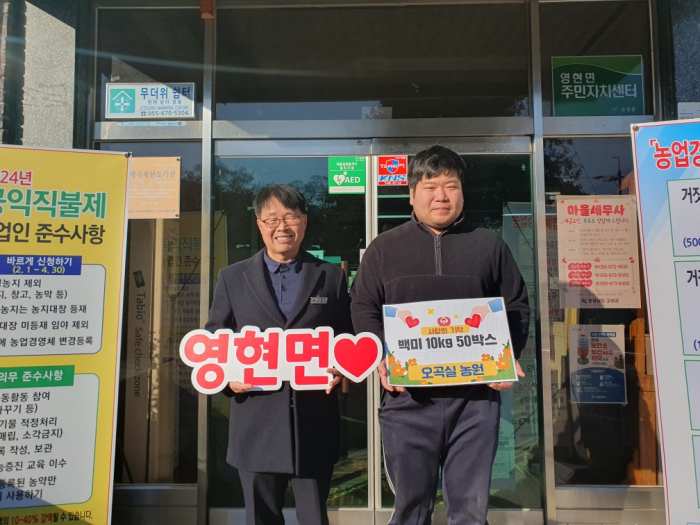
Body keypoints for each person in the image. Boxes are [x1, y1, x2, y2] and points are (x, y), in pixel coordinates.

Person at [351, 145, 529, 525]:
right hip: (407, 400)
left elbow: (516, 304)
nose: (441, 196)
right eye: (431, 187)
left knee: (470, 511)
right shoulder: (384, 249)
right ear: (412, 193)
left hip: (475, 401)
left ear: (462, 191)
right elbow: (363, 307)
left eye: (450, 186)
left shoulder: (488, 245)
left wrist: (508, 354)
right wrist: (380, 358)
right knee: (411, 509)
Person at [206, 184, 351, 525]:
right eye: (272, 219)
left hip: (313, 422)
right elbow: (215, 338)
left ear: (304, 221)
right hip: (255, 421)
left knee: (314, 517)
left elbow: (346, 336)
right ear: (259, 225)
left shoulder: (330, 277)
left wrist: (341, 368)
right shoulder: (233, 278)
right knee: (262, 517)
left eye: (290, 217)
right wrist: (228, 379)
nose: (282, 226)